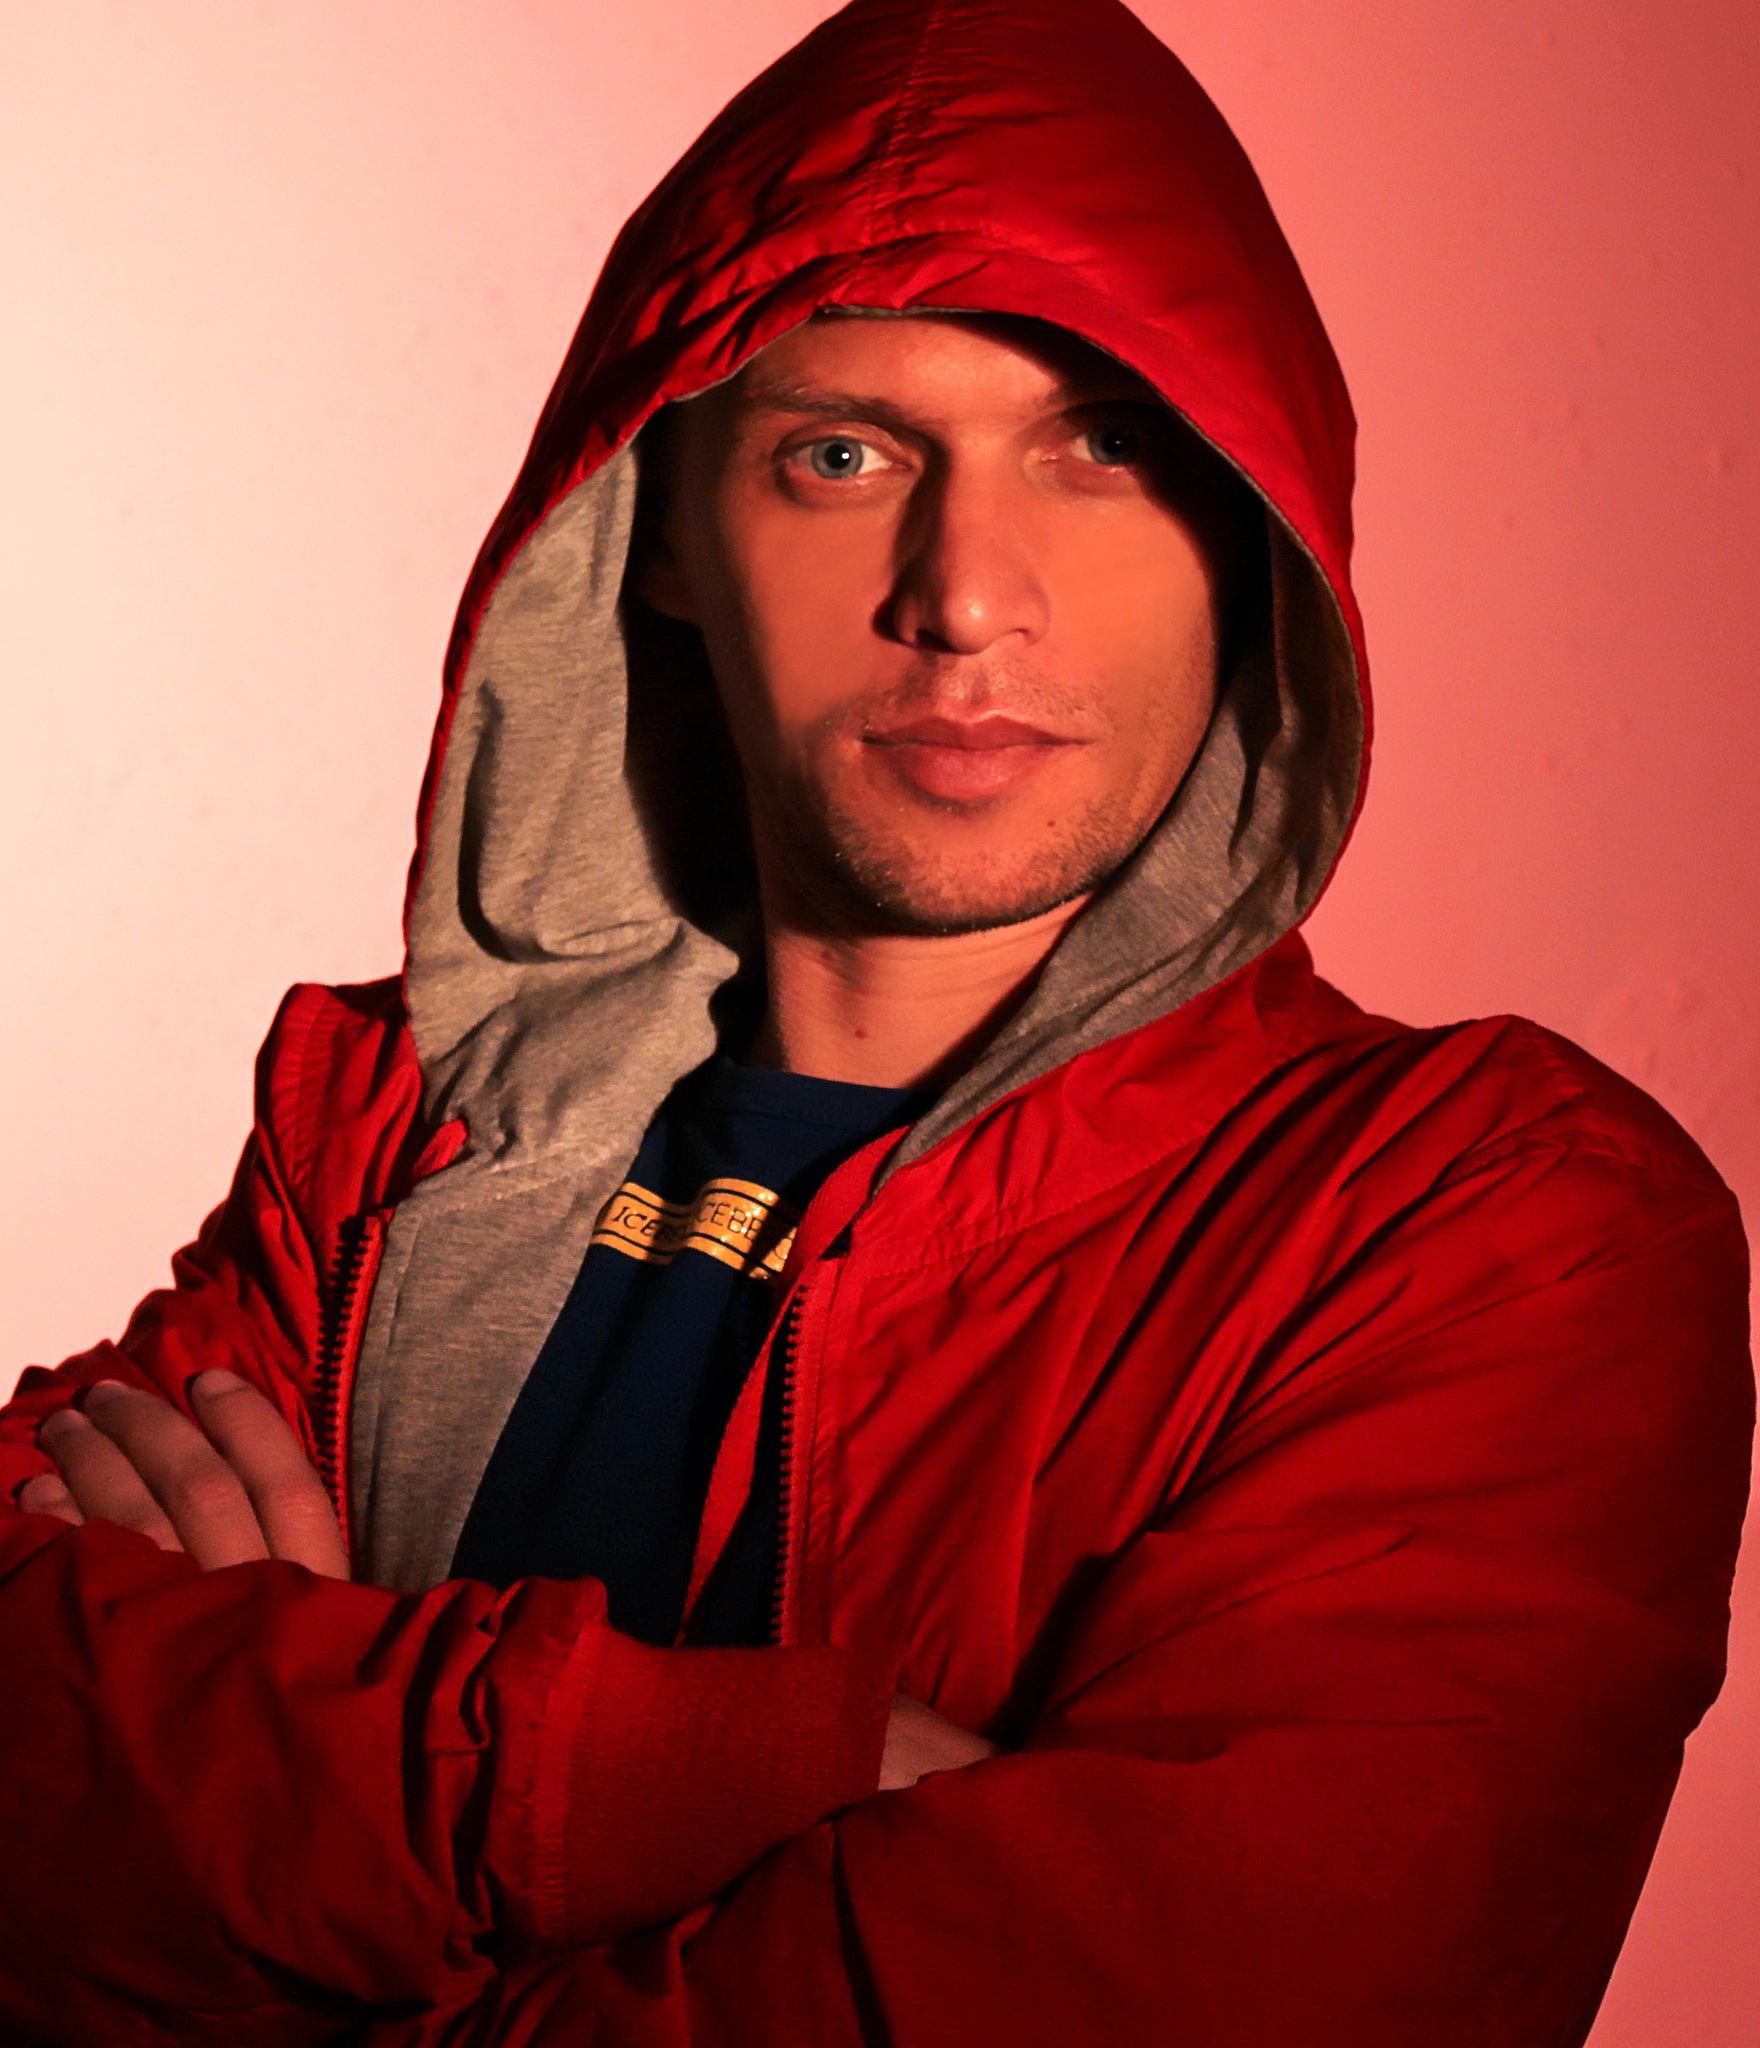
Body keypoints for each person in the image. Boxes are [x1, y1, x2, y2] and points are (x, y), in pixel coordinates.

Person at [1, 0, 1750, 2041]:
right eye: (842, 456)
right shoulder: (394, 1134)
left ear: (1254, 531)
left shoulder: (1489, 1229)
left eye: (1102, 447)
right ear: (660, 532)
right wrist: (671, 1775)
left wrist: (285, 1801)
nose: (966, 593)